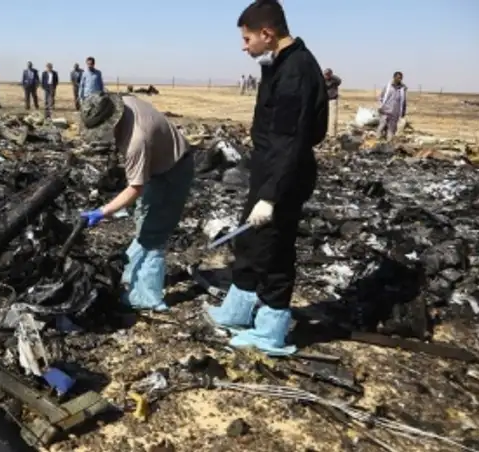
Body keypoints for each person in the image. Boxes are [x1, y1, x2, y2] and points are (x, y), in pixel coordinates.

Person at [205, 0, 327, 355]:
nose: (244, 47)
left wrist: (271, 195)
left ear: (267, 34)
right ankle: (237, 310)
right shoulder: (279, 64)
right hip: (268, 171)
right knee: (250, 243)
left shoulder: (296, 72)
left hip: (284, 176)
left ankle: (272, 329)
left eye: (247, 39)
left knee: (274, 251)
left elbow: (291, 140)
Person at [79, 92, 195, 311]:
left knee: (154, 233)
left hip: (173, 170)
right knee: (144, 218)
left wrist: (102, 212)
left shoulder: (136, 141)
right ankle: (132, 276)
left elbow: (136, 188)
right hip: (158, 164)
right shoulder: (124, 103)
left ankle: (148, 297)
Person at [377, 71, 407, 140]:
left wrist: (403, 112)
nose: (399, 79)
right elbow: (381, 97)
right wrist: (380, 107)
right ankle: (376, 141)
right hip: (385, 110)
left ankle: (389, 142)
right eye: (398, 78)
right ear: (394, 77)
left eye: (401, 78)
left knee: (391, 130)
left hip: (395, 113)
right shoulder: (388, 87)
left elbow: (404, 101)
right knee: (381, 127)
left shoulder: (402, 89)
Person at [323, 68, 342, 135]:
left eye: (328, 74)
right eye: (325, 74)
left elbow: (339, 81)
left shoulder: (334, 80)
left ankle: (332, 134)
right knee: (325, 117)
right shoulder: (323, 81)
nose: (326, 76)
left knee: (333, 118)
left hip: (332, 100)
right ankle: (326, 132)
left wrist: (332, 76)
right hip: (325, 100)